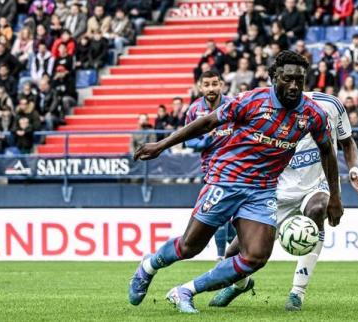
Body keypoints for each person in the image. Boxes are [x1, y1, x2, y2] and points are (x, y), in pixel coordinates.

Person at [129, 51, 343, 314]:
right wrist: (162, 145)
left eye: (300, 80)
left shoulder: (312, 114)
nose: (294, 86)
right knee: (190, 246)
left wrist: (335, 196)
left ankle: (184, 291)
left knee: (256, 256)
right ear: (275, 77)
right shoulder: (252, 100)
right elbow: (207, 121)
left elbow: (327, 151)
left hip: (262, 188)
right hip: (227, 179)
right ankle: (148, 267)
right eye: (288, 79)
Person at [211, 92, 358, 311]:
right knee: (233, 254)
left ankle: (297, 293)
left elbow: (347, 143)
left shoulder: (330, 105)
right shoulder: (265, 109)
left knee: (318, 208)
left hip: (316, 184)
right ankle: (240, 285)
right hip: (278, 190)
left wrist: (353, 170)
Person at [183, 70, 235, 260]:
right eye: (207, 85)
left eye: (215, 84)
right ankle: (227, 258)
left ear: (221, 84)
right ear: (200, 87)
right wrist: (205, 140)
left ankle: (229, 258)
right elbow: (189, 142)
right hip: (211, 169)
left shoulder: (233, 105)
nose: (211, 88)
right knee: (220, 215)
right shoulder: (194, 110)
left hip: (236, 167)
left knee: (228, 218)